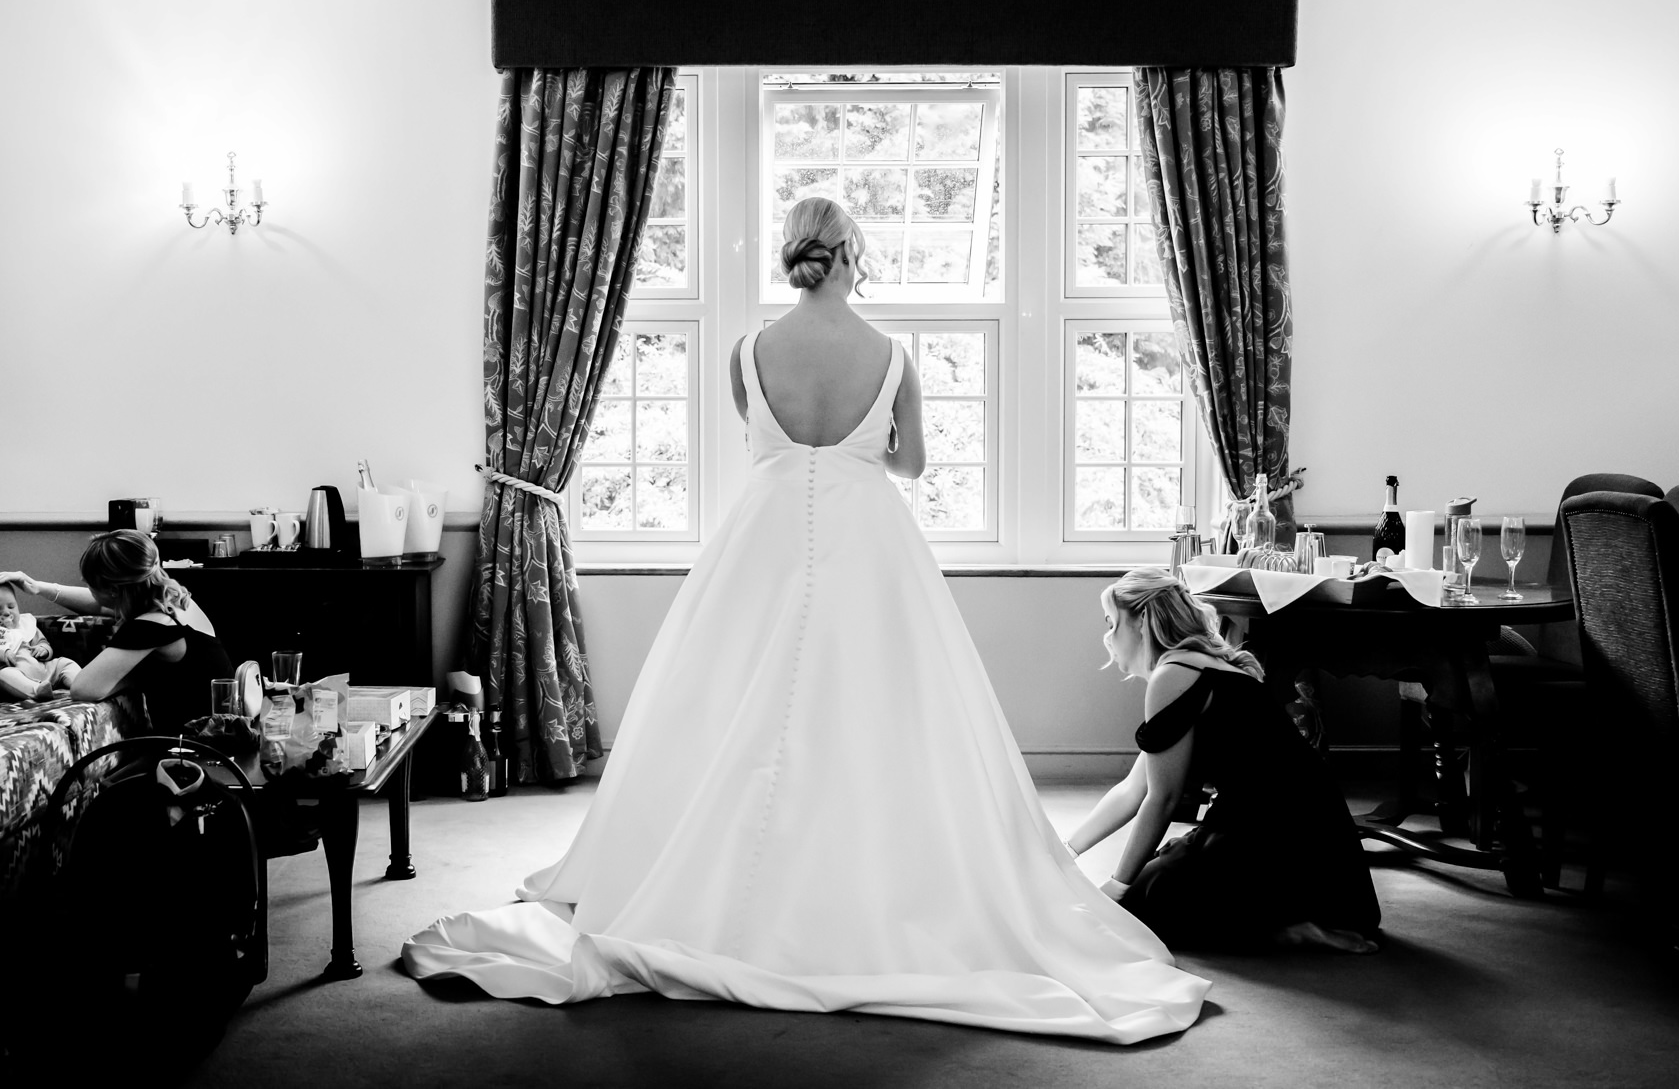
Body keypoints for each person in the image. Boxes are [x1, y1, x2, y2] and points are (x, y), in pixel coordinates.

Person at [404, 197, 1209, 1044]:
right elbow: (913, 462)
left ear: (792, 254)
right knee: (877, 709)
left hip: (764, 536)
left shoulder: (747, 351)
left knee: (729, 701)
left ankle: (709, 882)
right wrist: (863, 443)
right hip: (870, 539)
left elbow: (763, 442)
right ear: (852, 252)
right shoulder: (891, 355)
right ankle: (869, 882)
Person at [1066, 568, 1382, 954]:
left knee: (1139, 908)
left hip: (1272, 838)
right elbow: (1135, 788)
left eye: (1111, 623)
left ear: (1144, 620)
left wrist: (1118, 887)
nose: (1107, 638)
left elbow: (1162, 800)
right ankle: (1285, 918)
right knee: (1157, 874)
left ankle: (1285, 930)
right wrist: (1068, 849)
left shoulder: (1174, 674)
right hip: (1321, 842)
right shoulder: (1200, 664)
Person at [0, 530, 232, 736]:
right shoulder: (174, 600)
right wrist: (38, 587)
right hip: (223, 728)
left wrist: (130, 675)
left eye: (91, 585)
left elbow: (83, 688)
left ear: (114, 591)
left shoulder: (149, 626)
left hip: (193, 743)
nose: (87, 587)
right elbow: (99, 605)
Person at [0, 575, 82, 701]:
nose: (6, 613)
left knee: (65, 663)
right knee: (2, 675)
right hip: (11, 670)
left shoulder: (24, 623)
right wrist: (1, 653)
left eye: (11, 606)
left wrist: (43, 649)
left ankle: (81, 683)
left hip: (43, 668)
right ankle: (36, 690)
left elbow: (43, 641)